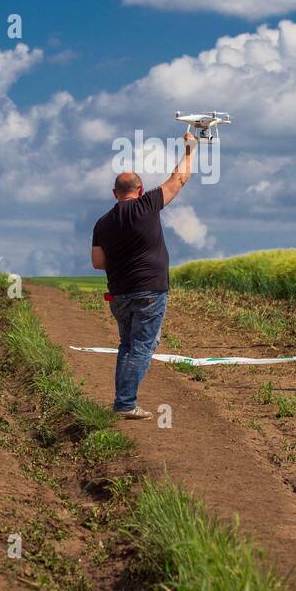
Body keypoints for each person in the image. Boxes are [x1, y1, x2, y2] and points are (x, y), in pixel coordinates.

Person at [91, 132, 198, 418]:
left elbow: (97, 262)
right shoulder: (148, 205)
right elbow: (179, 179)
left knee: (128, 345)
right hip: (150, 291)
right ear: (140, 190)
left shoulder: (102, 223)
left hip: (119, 294)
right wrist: (190, 149)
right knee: (143, 346)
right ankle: (125, 403)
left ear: (115, 194)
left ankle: (122, 401)